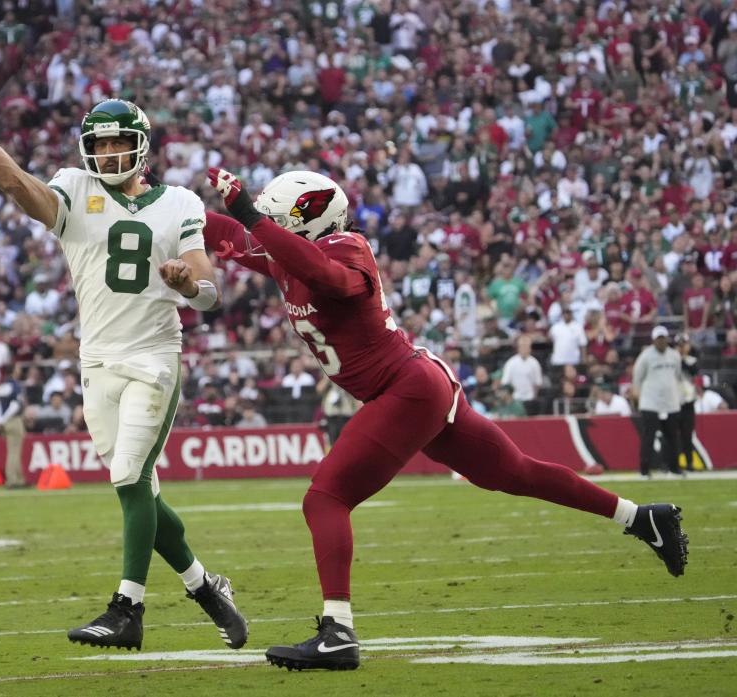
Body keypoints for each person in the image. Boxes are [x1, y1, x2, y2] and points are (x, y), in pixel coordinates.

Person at [204, 167, 688, 671]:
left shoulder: (347, 247)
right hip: (415, 387)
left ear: (310, 220)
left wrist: (251, 218)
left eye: (277, 219)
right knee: (514, 472)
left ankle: (338, 631)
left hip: (407, 389)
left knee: (326, 496)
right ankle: (640, 517)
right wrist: (161, 206)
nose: (267, 227)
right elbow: (224, 235)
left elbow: (325, 277)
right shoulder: (284, 251)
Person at [0, 76, 246, 651]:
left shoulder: (179, 203)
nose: (105, 154)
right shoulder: (75, 190)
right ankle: (204, 588)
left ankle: (127, 609)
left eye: (116, 143)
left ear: (141, 145)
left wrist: (187, 282)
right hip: (96, 362)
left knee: (129, 476)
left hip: (152, 356)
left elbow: (209, 291)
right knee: (136, 490)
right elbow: (12, 179)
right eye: (96, 145)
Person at [632, 326, 683, 478]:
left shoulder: (674, 355)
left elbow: (678, 376)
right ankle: (644, 470)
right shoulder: (645, 356)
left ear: (667, 339)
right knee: (649, 437)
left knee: (673, 437)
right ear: (653, 340)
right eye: (658, 338)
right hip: (650, 402)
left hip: (671, 403)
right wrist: (638, 396)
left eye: (663, 338)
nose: (661, 341)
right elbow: (637, 378)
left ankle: (674, 468)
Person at [0, 369, 26, 488]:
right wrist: (3, 420)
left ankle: (19, 479)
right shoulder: (15, 386)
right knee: (14, 452)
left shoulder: (1, 387)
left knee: (12, 451)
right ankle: (13, 480)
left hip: (4, 422)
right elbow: (15, 405)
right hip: (13, 420)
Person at [675, 334, 699, 471]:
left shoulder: (692, 360)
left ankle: (689, 462)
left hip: (688, 401)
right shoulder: (671, 360)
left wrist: (681, 357)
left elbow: (693, 371)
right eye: (680, 345)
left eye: (684, 345)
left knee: (687, 434)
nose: (682, 348)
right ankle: (673, 463)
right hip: (674, 401)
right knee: (673, 435)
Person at [500, 335, 543, 403]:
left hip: (530, 398)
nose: (524, 348)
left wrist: (534, 397)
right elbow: (505, 382)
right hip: (515, 398)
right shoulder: (511, 363)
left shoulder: (535, 363)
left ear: (530, 348)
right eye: (522, 346)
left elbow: (538, 383)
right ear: (518, 348)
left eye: (526, 346)